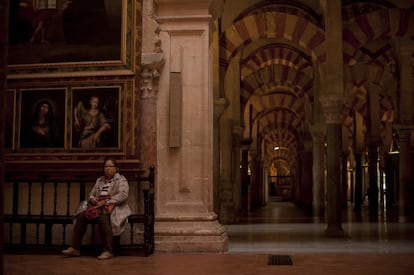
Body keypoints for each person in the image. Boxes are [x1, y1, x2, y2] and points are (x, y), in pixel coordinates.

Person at [62, 157, 131, 260]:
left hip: (113, 206)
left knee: (103, 217)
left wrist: (107, 201)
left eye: (110, 166)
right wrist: (92, 199)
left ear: (116, 168)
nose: (107, 168)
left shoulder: (121, 180)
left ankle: (108, 250)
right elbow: (92, 193)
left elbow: (123, 195)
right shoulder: (100, 180)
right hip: (98, 205)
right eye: (105, 166)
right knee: (81, 217)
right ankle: (75, 248)